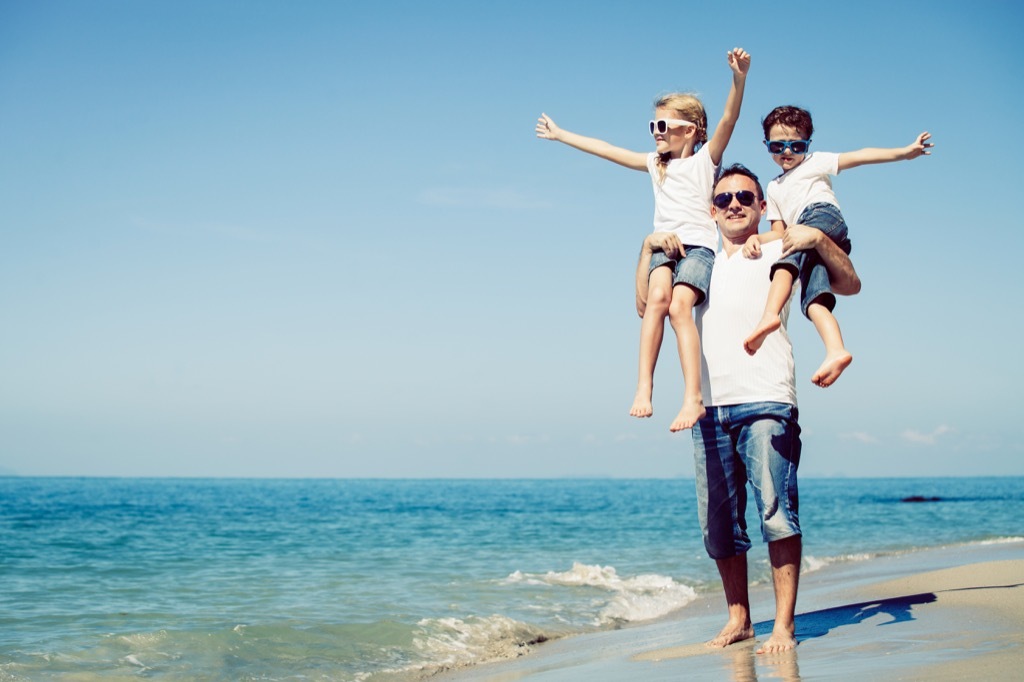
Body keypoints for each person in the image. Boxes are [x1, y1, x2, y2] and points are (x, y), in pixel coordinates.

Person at [637, 164, 861, 654]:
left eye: (744, 196)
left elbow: (849, 283)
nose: (733, 204)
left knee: (776, 513)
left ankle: (782, 625)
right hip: (709, 411)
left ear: (762, 206)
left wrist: (817, 240)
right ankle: (738, 618)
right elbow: (643, 306)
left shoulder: (781, 248)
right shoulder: (699, 263)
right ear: (710, 211)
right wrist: (649, 246)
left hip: (768, 399)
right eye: (723, 199)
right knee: (720, 526)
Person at [537, 48, 751, 432]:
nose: (656, 134)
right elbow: (608, 150)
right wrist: (561, 135)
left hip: (697, 248)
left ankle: (692, 397)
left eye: (663, 127)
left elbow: (729, 118)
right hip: (662, 247)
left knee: (679, 308)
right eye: (652, 127)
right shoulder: (656, 165)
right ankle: (644, 388)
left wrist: (739, 78)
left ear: (690, 130)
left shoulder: (705, 162)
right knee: (655, 303)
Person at [741, 105, 932, 387]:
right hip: (803, 236)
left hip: (823, 218)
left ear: (808, 144)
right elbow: (779, 232)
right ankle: (836, 349)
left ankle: (770, 316)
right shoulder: (773, 187)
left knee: (788, 255)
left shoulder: (814, 162)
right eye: (778, 145)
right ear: (766, 144)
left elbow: (859, 156)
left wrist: (904, 153)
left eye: (797, 145)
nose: (787, 152)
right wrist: (755, 238)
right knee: (814, 298)